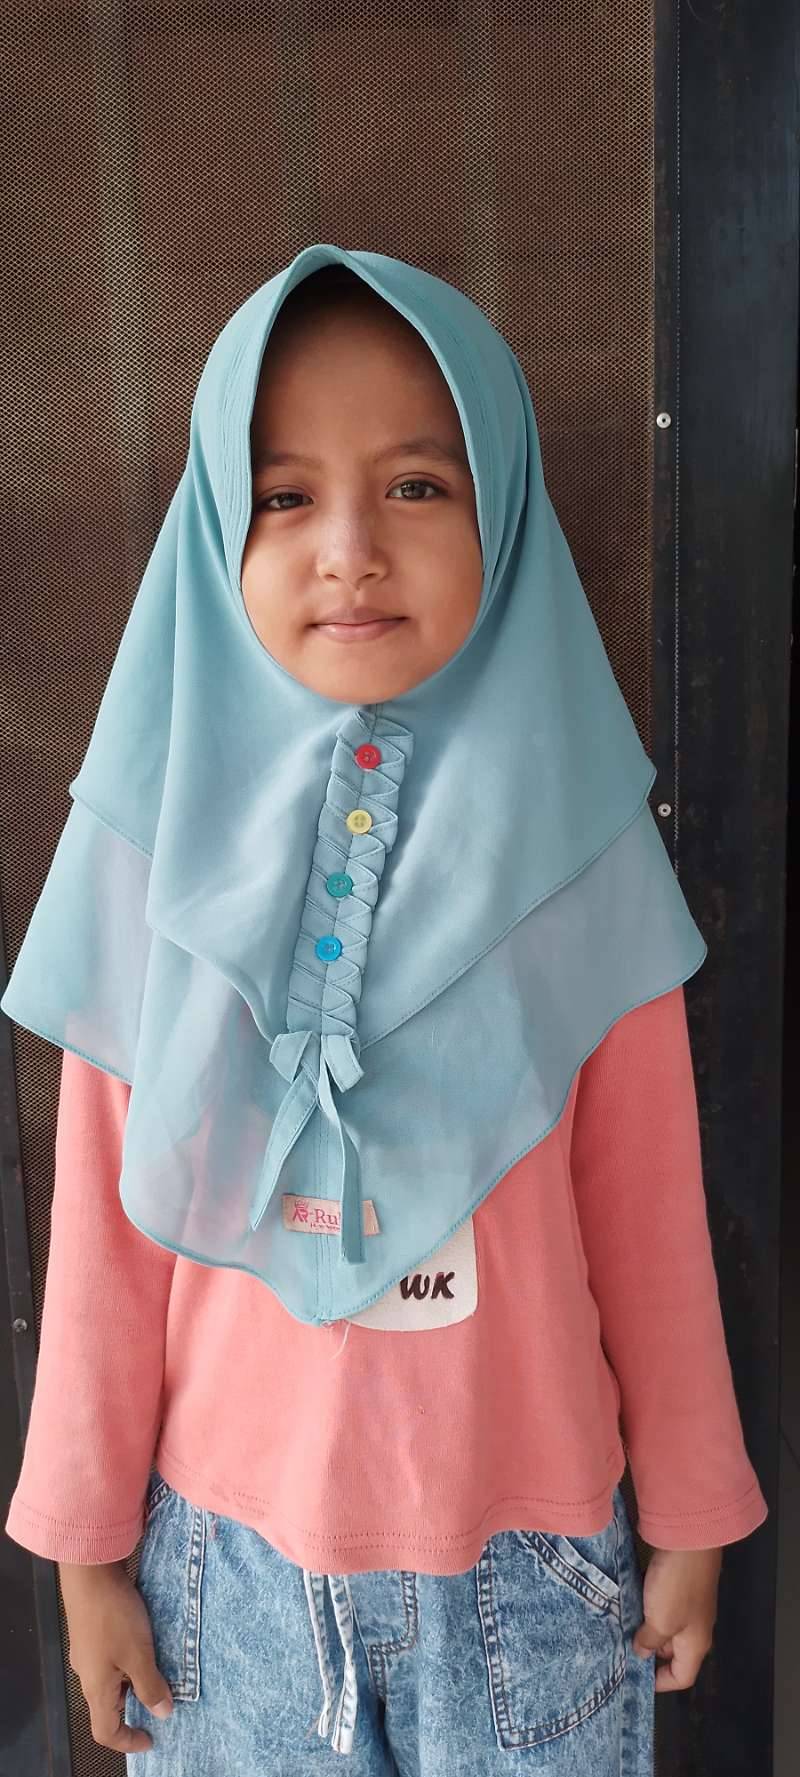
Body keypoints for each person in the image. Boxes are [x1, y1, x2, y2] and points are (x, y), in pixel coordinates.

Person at [2, 245, 767, 1775]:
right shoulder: (154, 851)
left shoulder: (577, 850)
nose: (349, 549)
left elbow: (649, 1210)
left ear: (507, 510)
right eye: (284, 496)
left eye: (420, 485)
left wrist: (692, 1507)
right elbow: (103, 1228)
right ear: (216, 529)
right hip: (224, 1575)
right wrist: (86, 1553)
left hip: (536, 1572)